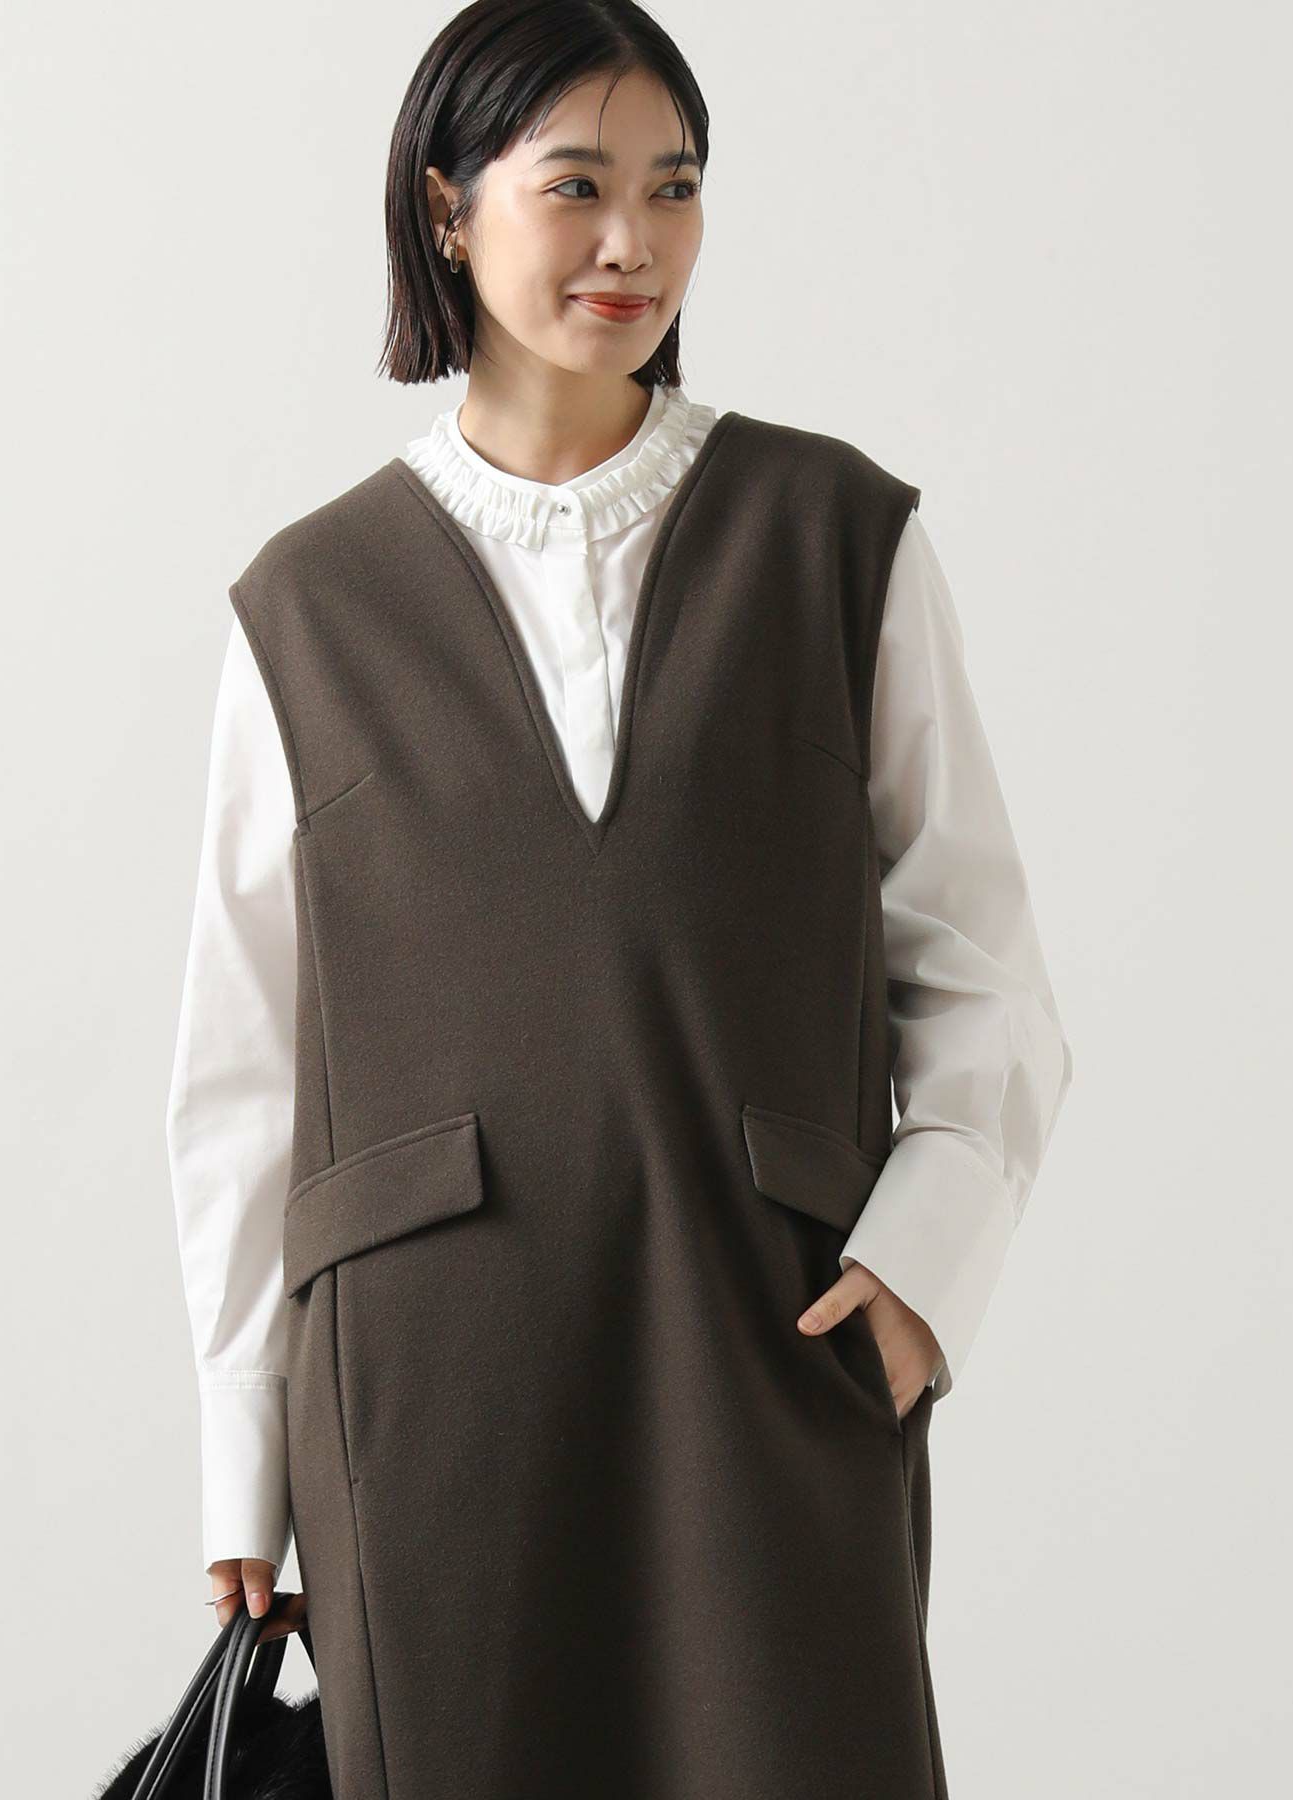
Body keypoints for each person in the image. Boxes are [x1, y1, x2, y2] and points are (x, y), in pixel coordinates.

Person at [166, 3, 1073, 1794]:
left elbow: (983, 971)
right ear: (447, 210)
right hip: (427, 1393)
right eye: (575, 185)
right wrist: (241, 1461)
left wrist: (920, 1274)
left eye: (675, 186)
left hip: (765, 1342)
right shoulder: (309, 605)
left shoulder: (838, 539)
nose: (632, 242)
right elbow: (244, 1073)